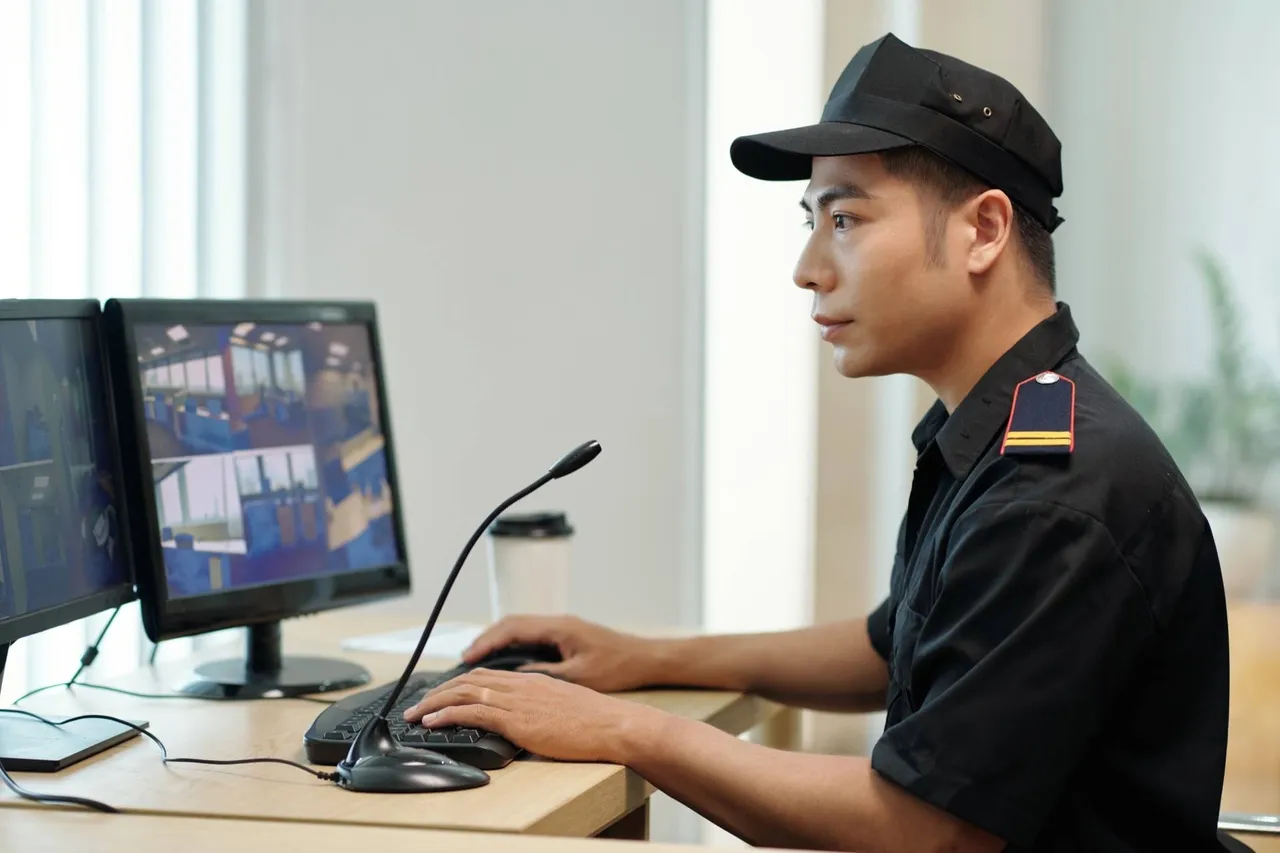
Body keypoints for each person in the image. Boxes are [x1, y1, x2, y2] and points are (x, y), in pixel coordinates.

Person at [404, 33, 1233, 853]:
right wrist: (650, 655)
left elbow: (921, 827)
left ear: (983, 230)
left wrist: (625, 730)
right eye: (811, 219)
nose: (807, 267)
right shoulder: (1017, 419)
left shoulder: (1056, 492)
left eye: (845, 218)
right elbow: (893, 645)